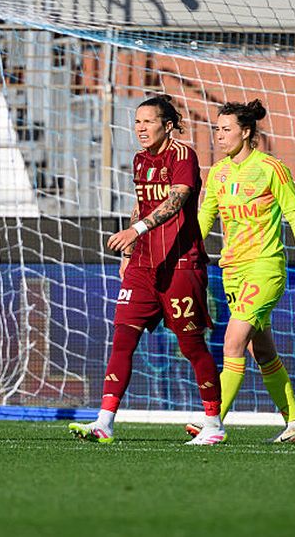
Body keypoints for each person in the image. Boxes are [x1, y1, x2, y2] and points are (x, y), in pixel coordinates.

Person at [69, 95, 226, 445]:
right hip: (142, 264)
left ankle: (214, 423)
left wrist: (135, 232)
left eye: (148, 121)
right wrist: (129, 250)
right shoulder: (140, 160)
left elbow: (177, 200)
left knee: (191, 346)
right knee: (123, 340)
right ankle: (104, 422)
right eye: (137, 121)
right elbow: (141, 205)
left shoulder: (183, 155)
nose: (140, 128)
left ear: (167, 125)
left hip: (180, 263)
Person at [193, 99, 295, 443]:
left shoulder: (270, 168)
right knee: (260, 351)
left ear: (246, 132)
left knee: (233, 341)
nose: (219, 136)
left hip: (265, 268)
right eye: (217, 130)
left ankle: (213, 422)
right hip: (233, 271)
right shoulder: (218, 173)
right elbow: (205, 217)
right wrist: (184, 251)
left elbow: (294, 214)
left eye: (226, 130)